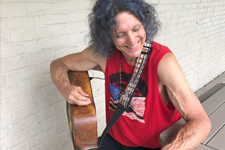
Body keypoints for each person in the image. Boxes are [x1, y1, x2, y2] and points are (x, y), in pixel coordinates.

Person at [50, 0, 211, 149]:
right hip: (113, 140)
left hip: (155, 146)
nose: (132, 40)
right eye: (120, 35)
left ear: (145, 24)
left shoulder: (163, 61)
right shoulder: (103, 55)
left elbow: (201, 121)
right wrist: (64, 88)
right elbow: (59, 64)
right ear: (108, 36)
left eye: (136, 29)